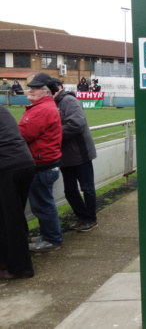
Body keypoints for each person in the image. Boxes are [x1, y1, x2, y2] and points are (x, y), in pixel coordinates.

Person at [18, 73, 64, 252]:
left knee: (43, 205)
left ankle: (52, 239)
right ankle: (50, 235)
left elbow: (23, 134)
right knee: (44, 204)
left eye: (35, 88)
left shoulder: (42, 109)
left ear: (45, 92)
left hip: (42, 165)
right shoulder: (44, 106)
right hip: (46, 163)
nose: (30, 90)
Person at [51, 78, 98, 232]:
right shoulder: (53, 103)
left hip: (80, 152)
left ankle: (90, 219)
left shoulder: (69, 100)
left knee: (87, 188)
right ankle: (82, 217)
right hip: (64, 155)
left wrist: (53, 136)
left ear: (59, 87)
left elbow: (76, 124)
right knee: (70, 191)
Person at [0, 106, 36, 279]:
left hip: (7, 168)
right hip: (23, 164)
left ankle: (20, 267)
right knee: (11, 217)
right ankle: (7, 261)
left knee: (10, 220)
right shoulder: (2, 109)